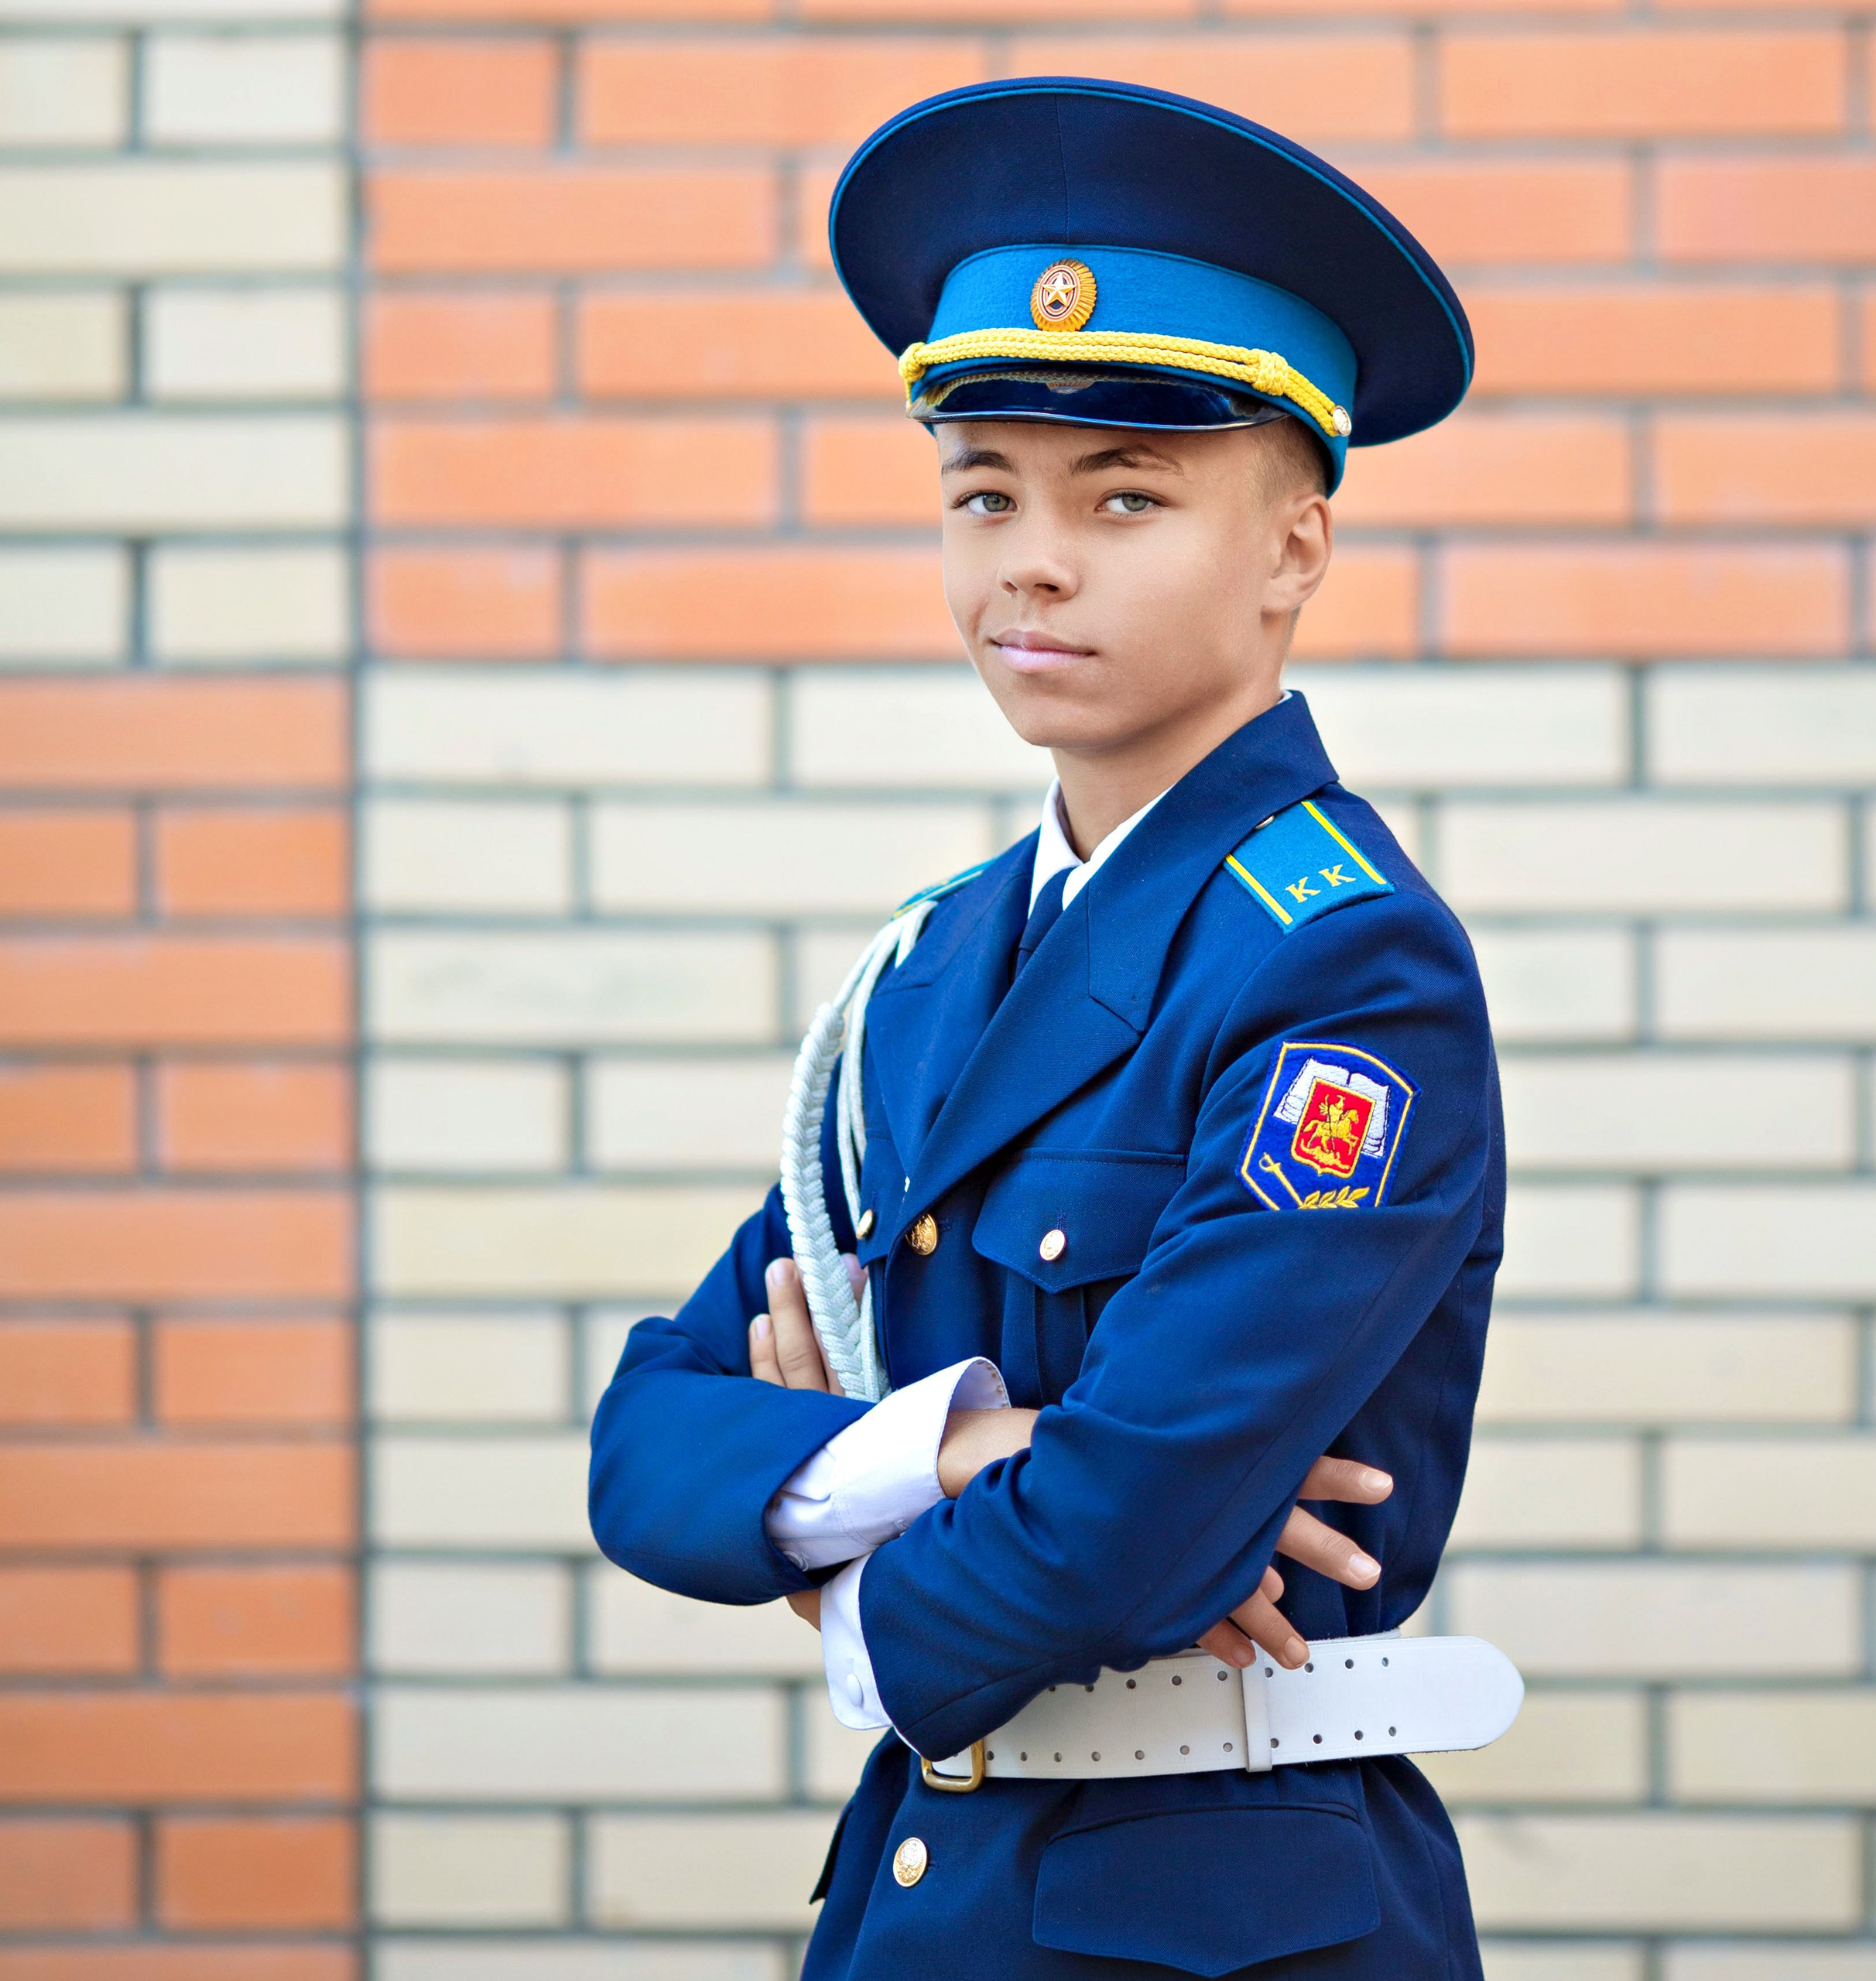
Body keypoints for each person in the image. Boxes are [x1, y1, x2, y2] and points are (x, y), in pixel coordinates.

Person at [591, 77, 1515, 1980]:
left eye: (1124, 497)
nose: (1030, 558)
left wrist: (838, 1574)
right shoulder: (932, 969)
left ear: (1292, 548)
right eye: (982, 492)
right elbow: (644, 1440)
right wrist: (943, 1449)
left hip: (1217, 1916)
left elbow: (1122, 1529)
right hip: (926, 1894)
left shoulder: (1341, 966)